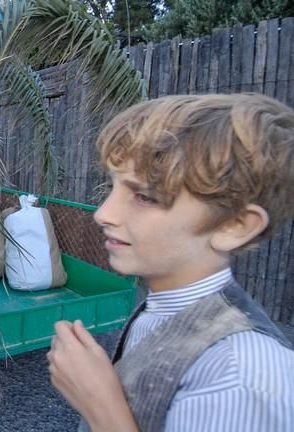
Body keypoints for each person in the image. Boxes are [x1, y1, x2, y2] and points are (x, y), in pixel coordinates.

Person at [47, 93, 294, 432]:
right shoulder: (163, 304)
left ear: (233, 226)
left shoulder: (240, 375)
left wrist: (101, 404)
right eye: (113, 186)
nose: (103, 214)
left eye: (145, 196)